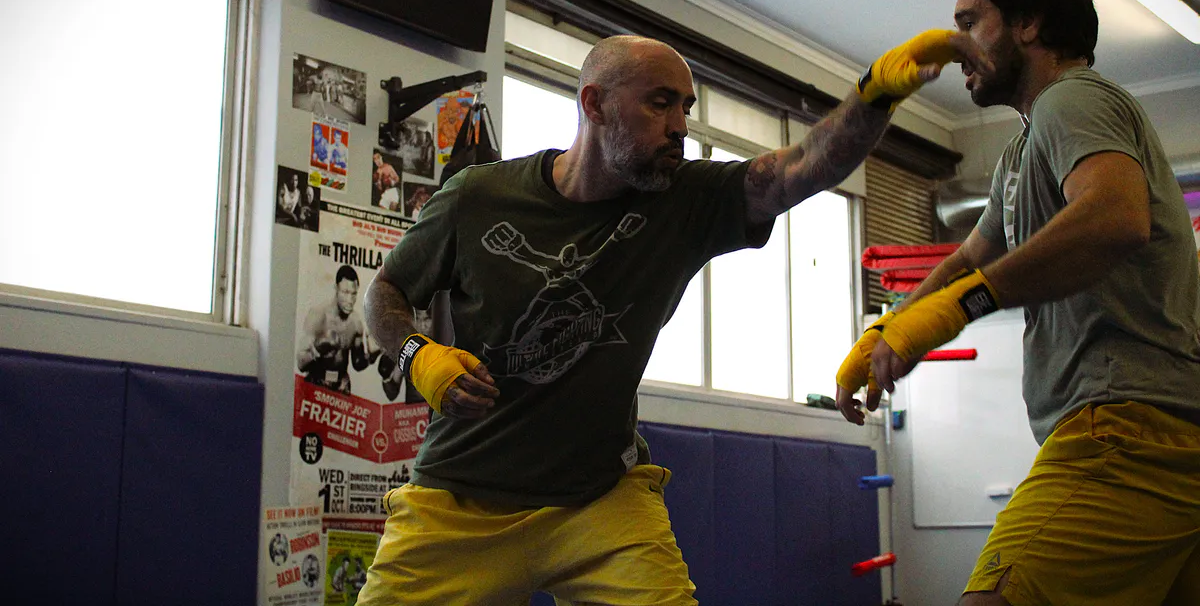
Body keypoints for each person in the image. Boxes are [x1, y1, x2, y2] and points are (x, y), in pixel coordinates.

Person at [356, 29, 983, 605]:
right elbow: (384, 292)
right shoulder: (478, 197)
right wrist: (418, 356)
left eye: (686, 107)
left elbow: (798, 168)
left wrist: (874, 95)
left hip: (600, 501)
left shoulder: (685, 200)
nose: (680, 125)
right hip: (460, 501)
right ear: (596, 104)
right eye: (661, 103)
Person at [834, 0, 1200, 606]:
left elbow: (1116, 218)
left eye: (970, 23)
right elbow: (971, 257)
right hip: (1160, 437)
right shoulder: (1023, 149)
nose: (955, 45)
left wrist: (960, 308)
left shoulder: (1073, 101)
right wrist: (888, 329)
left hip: (1121, 435)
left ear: (1029, 23)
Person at [296, 265, 379, 394]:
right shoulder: (318, 316)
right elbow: (301, 364)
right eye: (345, 292)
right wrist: (317, 349)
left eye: (354, 294)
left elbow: (358, 364)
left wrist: (372, 356)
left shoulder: (355, 323)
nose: (350, 300)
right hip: (316, 384)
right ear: (336, 289)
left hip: (342, 387)